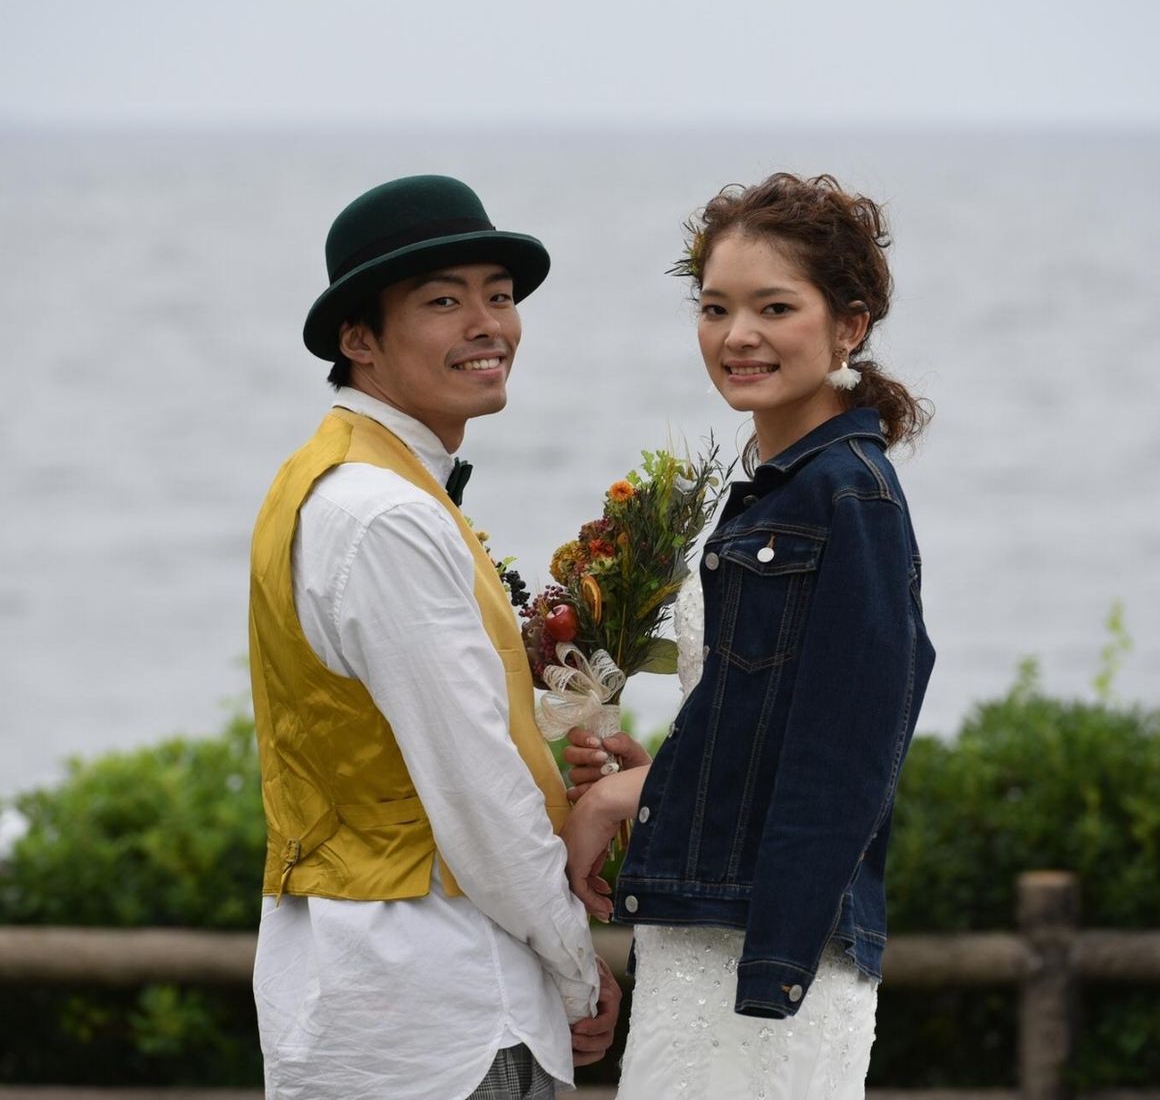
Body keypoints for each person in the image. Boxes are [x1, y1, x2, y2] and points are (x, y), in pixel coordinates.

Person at [561, 172, 935, 1097]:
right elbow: (763, 722)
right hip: (701, 938)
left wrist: (626, 800)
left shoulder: (848, 497)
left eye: (775, 307)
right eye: (715, 307)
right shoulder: (777, 492)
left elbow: (844, 754)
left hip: (766, 948)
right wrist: (663, 775)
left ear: (848, 327)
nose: (737, 335)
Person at [248, 174, 620, 1100]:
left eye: (500, 295)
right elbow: (475, 790)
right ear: (359, 338)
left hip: (367, 994)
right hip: (447, 1006)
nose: (488, 325)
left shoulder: (333, 481)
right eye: (443, 302)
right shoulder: (385, 514)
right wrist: (577, 970)